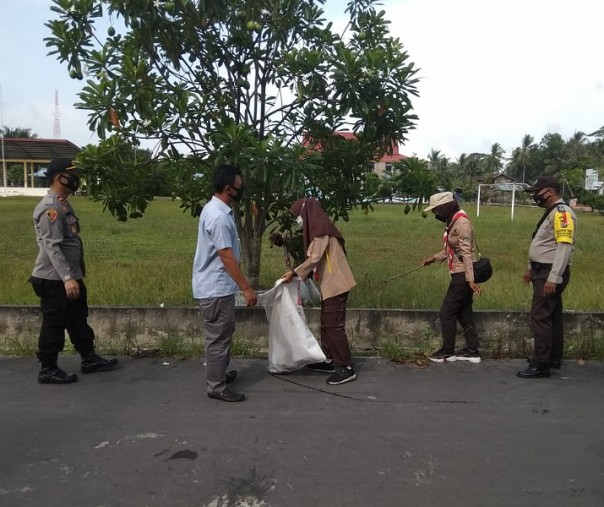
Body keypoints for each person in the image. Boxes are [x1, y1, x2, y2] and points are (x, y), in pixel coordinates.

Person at [30, 158, 119, 384]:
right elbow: (52, 245)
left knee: (78, 318)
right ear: (59, 177)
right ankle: (47, 368)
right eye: (71, 175)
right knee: (55, 322)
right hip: (54, 278)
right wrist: (68, 278)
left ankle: (89, 358)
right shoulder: (50, 207)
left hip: (69, 276)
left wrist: (73, 277)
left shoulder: (63, 203)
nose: (76, 179)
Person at [192, 164, 257, 402]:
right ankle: (216, 387)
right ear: (228, 188)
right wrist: (247, 288)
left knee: (223, 333)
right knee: (218, 338)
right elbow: (226, 256)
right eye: (239, 188)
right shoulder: (219, 217)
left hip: (215, 286)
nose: (241, 191)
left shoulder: (214, 210)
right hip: (215, 288)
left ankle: (219, 374)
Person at [281, 198, 357, 385]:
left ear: (306, 213)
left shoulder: (322, 229)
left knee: (334, 327)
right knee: (326, 324)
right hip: (330, 284)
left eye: (299, 216)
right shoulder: (318, 229)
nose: (299, 220)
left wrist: (294, 273)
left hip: (336, 285)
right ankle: (330, 360)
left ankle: (345, 367)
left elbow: (315, 258)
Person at [517, 176, 576, 379]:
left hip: (550, 272)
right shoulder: (551, 212)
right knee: (553, 315)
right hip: (542, 270)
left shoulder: (562, 214)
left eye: (537, 192)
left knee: (540, 316)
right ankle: (552, 357)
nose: (535, 196)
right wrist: (530, 267)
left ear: (549, 192)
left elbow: (563, 246)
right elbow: (543, 244)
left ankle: (541, 364)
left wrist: (554, 277)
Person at [421, 192, 482, 364]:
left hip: (462, 275)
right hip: (460, 272)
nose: (435, 214)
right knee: (464, 313)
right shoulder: (454, 221)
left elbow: (466, 253)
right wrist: (433, 258)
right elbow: (451, 250)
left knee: (447, 312)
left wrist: (470, 280)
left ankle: (448, 350)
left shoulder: (462, 224)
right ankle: (472, 350)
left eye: (437, 209)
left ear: (446, 206)